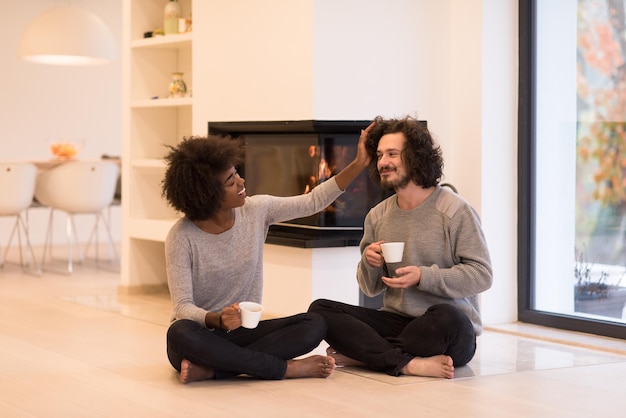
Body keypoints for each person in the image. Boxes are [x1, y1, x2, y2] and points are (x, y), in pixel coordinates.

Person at [162, 123, 373, 383]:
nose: (241, 181)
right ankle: (285, 369)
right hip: (202, 334)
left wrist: (359, 163)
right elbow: (182, 307)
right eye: (231, 181)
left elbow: (314, 201)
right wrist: (216, 319)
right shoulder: (181, 236)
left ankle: (216, 370)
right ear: (208, 195)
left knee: (314, 324)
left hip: (244, 333)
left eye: (236, 173)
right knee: (179, 333)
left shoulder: (256, 210)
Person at [308, 115, 493, 379]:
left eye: (392, 154)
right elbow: (370, 287)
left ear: (415, 157)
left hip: (446, 329)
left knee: (447, 317)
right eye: (380, 155)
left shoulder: (455, 210)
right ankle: (407, 363)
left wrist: (423, 276)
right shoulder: (377, 215)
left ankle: (367, 355)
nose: (383, 162)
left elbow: (482, 274)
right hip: (399, 323)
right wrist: (370, 263)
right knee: (321, 310)